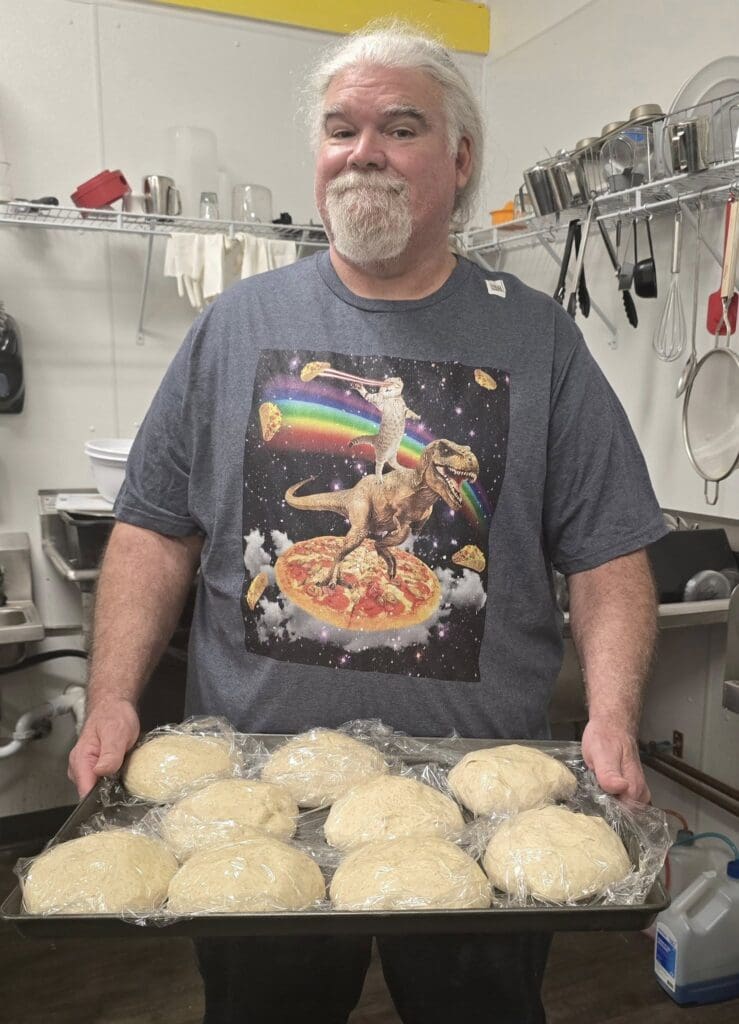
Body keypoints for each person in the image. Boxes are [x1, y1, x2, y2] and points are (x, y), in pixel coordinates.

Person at [69, 21, 666, 1024]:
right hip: (255, 794)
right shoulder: (234, 327)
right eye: (340, 129)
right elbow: (155, 529)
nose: (363, 152)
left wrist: (610, 715)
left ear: (460, 158)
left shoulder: (536, 338)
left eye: (400, 127)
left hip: (483, 795)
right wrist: (110, 698)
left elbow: (607, 551)